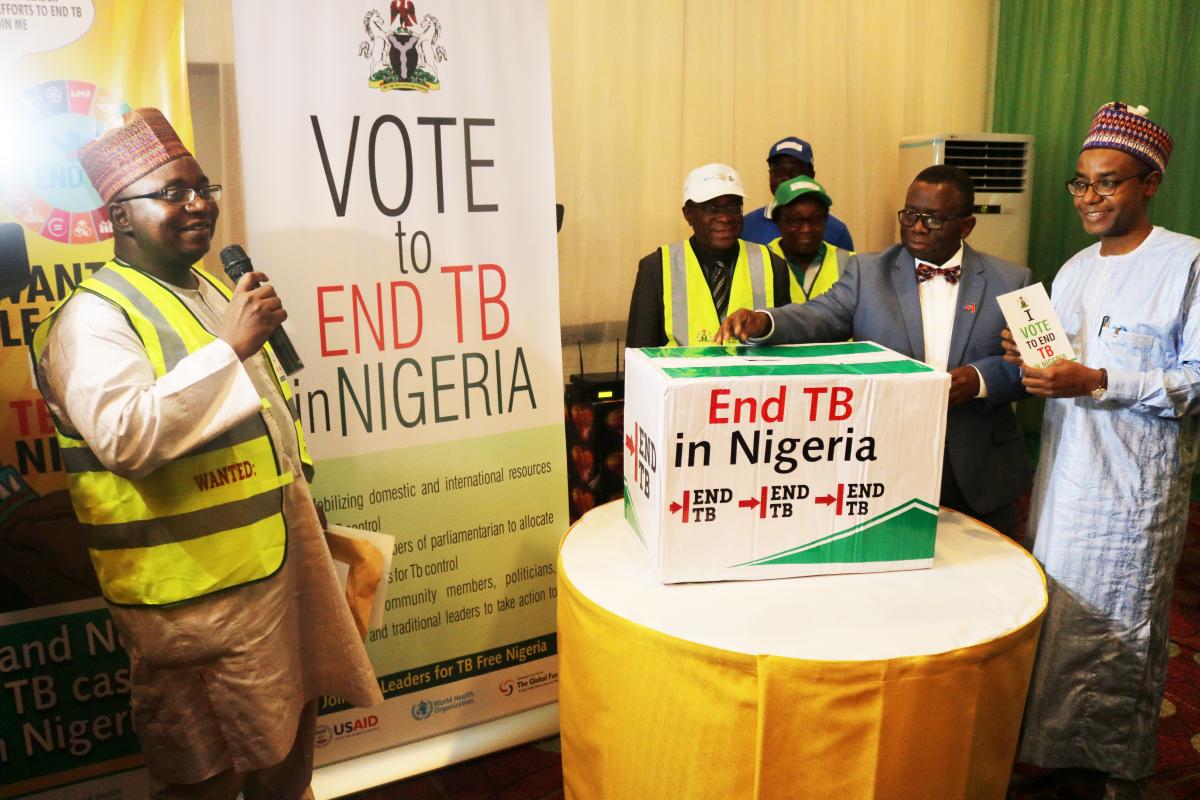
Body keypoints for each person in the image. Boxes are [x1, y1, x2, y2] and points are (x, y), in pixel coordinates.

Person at [31, 108, 382, 799]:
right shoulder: (93, 319)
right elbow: (125, 435)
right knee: (207, 773)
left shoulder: (205, 289)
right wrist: (231, 347)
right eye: (172, 193)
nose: (198, 204)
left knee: (284, 748)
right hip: (189, 605)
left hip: (268, 574)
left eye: (203, 186)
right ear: (120, 218)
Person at [1006, 102, 1200, 800]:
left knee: (1122, 634)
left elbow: (1196, 383)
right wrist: (1034, 359)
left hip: (1133, 494)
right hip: (1065, 481)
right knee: (1059, 627)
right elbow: (1059, 369)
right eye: (1080, 183)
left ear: (1149, 183)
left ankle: (1118, 777)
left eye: (1108, 182)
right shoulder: (1073, 269)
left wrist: (1096, 378)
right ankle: (1059, 764)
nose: (1090, 197)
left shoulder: (1188, 262)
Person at [717, 165, 1032, 536]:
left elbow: (1036, 367)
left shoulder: (1013, 280)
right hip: (885, 464)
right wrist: (765, 322)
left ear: (966, 226)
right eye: (910, 214)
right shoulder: (868, 272)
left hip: (979, 472)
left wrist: (979, 379)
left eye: (932, 218)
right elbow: (821, 315)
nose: (916, 226)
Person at [625, 163, 791, 348]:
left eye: (733, 208)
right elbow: (639, 356)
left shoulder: (772, 264)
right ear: (688, 214)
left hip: (751, 377)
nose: (725, 218)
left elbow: (783, 342)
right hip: (684, 377)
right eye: (712, 209)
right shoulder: (657, 268)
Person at [740, 137, 855, 251]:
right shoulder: (745, 227)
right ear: (770, 176)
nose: (787, 178)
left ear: (811, 175)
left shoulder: (837, 231)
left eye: (796, 171)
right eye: (780, 171)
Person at [765, 176, 854, 303]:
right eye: (796, 220)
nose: (806, 229)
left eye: (816, 219)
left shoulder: (850, 264)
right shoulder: (761, 262)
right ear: (778, 221)